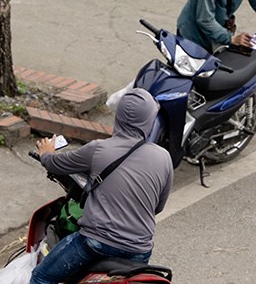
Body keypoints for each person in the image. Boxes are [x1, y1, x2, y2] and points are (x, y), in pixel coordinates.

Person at [30, 90, 172, 284]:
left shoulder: (98, 149)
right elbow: (158, 207)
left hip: (96, 243)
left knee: (42, 276)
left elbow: (54, 164)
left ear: (119, 117)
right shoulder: (164, 157)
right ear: (149, 120)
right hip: (140, 251)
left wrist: (46, 153)